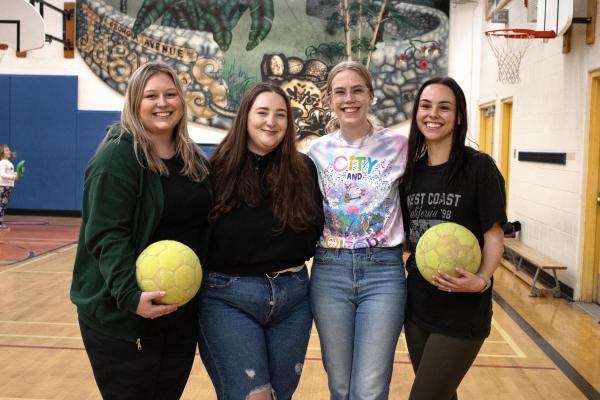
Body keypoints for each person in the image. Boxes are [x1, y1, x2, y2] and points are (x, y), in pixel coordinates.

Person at [70, 61, 211, 399]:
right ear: (134, 103)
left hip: (177, 314)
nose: (162, 103)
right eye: (151, 96)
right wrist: (131, 296)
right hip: (124, 316)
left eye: (170, 94)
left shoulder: (192, 158)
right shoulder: (117, 158)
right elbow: (107, 235)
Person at [197, 82, 323, 400]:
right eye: (262, 112)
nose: (271, 121)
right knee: (255, 396)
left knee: (279, 396)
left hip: (292, 297)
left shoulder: (303, 169)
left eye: (281, 115)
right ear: (245, 117)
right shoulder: (216, 169)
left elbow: (313, 230)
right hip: (228, 298)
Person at [307, 61, 409, 399]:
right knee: (339, 384)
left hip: (383, 271)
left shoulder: (399, 145)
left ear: (371, 95)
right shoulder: (317, 151)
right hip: (330, 271)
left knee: (369, 388)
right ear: (330, 99)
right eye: (340, 92)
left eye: (357, 90)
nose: (349, 99)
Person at [401, 76, 506, 400]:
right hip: (417, 307)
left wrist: (483, 279)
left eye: (444, 107)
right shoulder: (411, 174)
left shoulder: (479, 168)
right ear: (417, 112)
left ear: (458, 116)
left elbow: (493, 234)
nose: (434, 114)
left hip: (462, 310)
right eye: (426, 106)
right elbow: (408, 239)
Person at [0, 144, 18, 230]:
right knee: (2, 205)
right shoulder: (2, 163)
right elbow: (3, 175)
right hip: (3, 186)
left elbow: (11, 175)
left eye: (9, 150)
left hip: (8, 186)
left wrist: (16, 174)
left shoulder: (9, 163)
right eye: (6, 150)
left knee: (3, 205)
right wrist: (13, 177)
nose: (9, 151)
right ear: (2, 153)